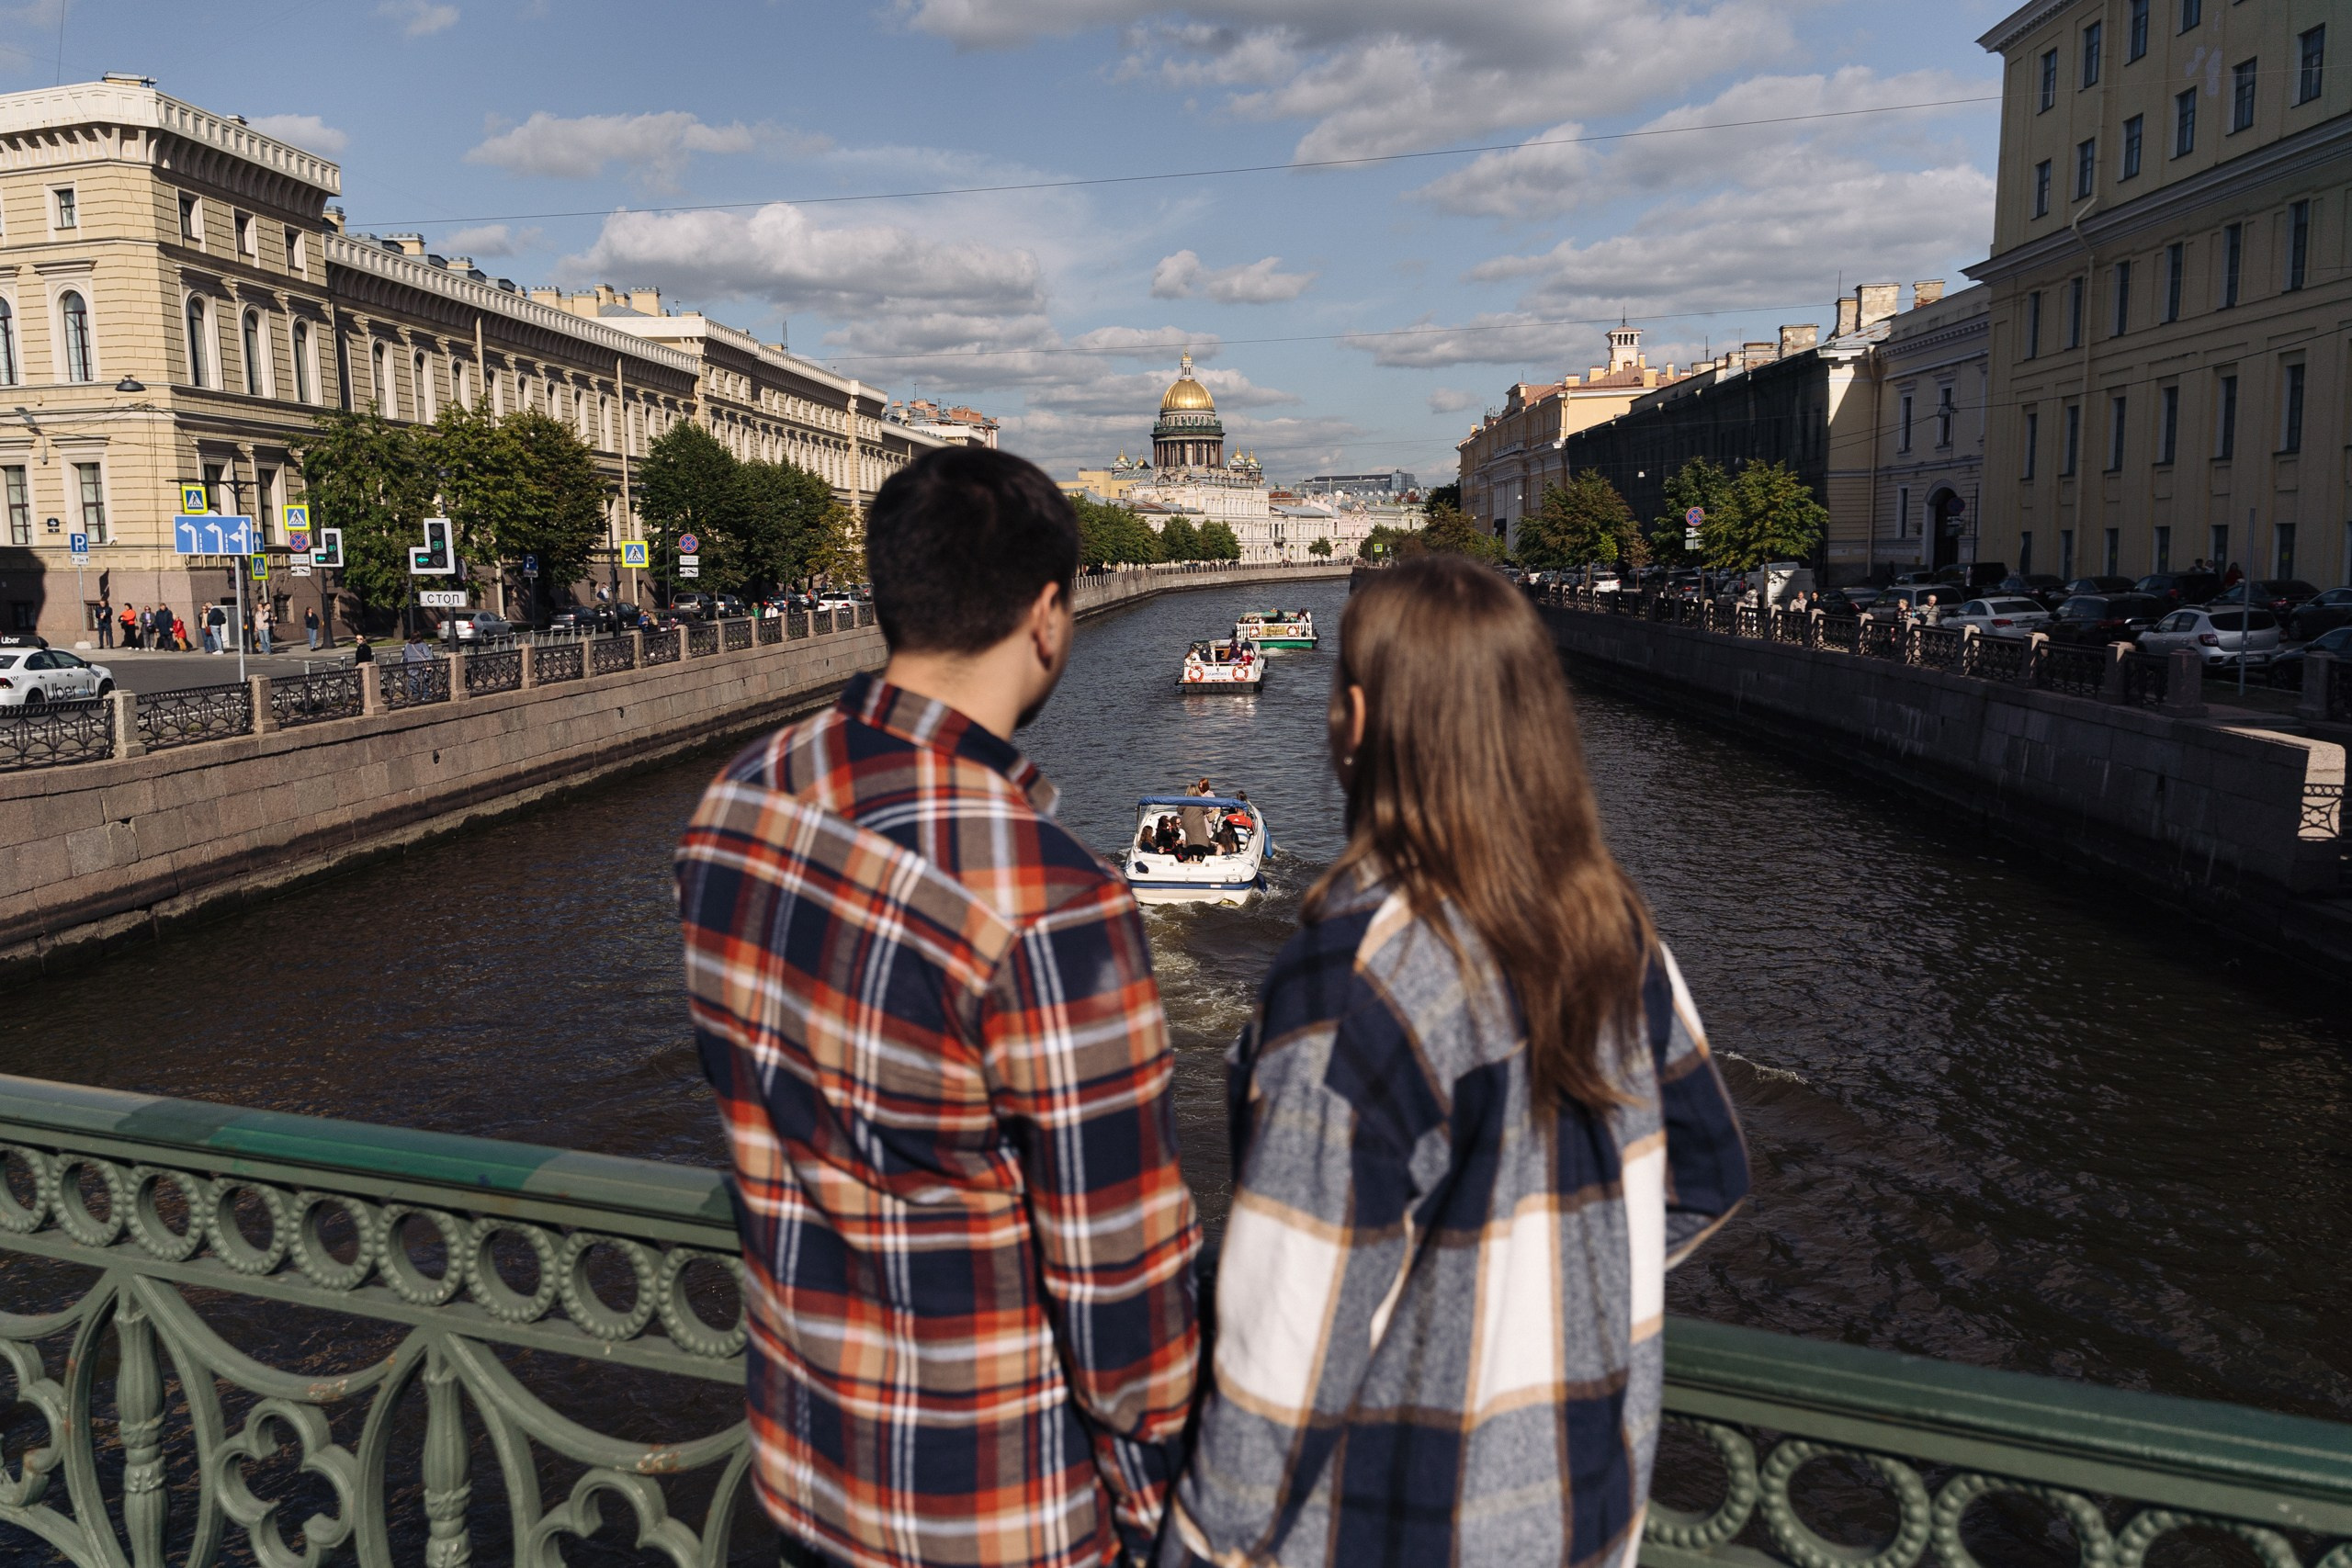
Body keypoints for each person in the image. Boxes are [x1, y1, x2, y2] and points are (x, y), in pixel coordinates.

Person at [1162, 554, 1749, 1568]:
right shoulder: (1615, 933)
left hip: (1400, 1527)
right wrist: (1547, 1294)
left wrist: (1200, 1547)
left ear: (1356, 722)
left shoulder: (1350, 979)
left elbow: (1285, 1346)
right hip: (1585, 1510)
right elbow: (1706, 1177)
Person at [674, 446, 1200, 1568]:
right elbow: (1123, 1291)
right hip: (990, 1506)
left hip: (803, 1463)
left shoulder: (736, 800)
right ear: (1050, 615)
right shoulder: (1049, 898)